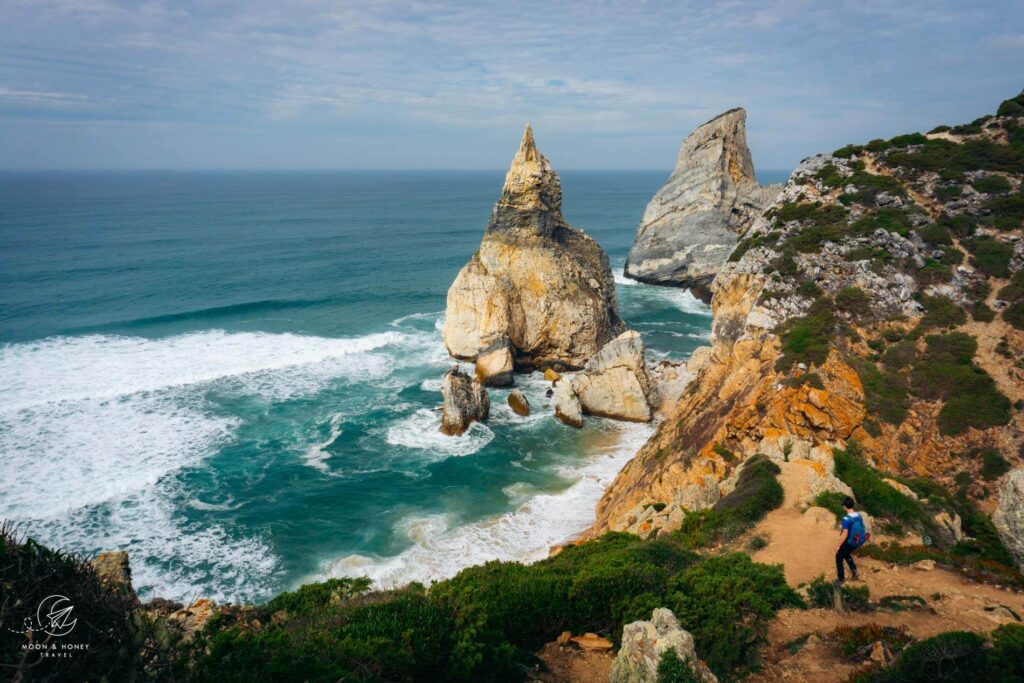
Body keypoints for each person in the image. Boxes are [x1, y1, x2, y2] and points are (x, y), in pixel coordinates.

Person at [835, 496, 865, 585]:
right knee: (846, 553)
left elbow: (845, 534)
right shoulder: (859, 515)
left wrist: (838, 545)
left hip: (851, 541)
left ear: (844, 506)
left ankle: (841, 579)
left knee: (839, 555)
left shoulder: (846, 519)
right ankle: (854, 571)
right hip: (859, 540)